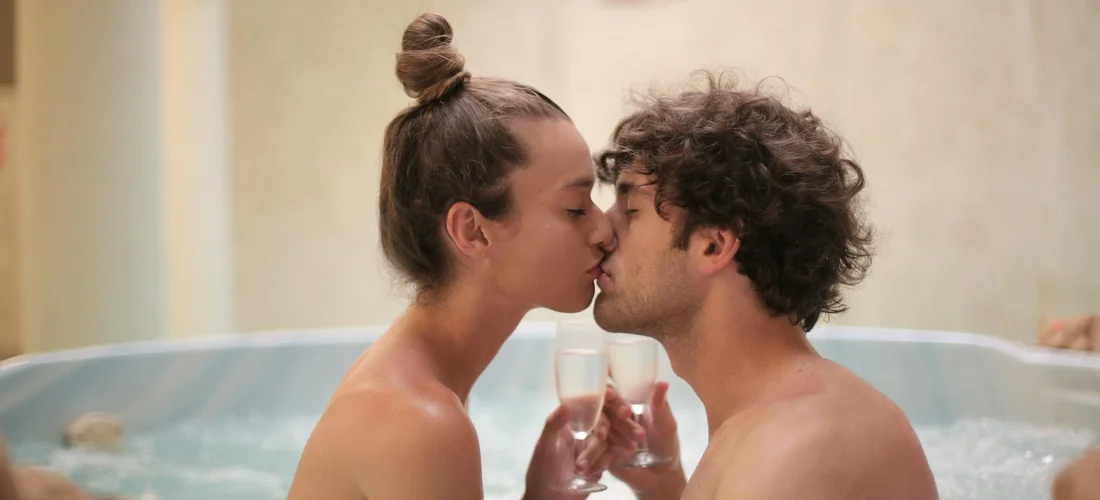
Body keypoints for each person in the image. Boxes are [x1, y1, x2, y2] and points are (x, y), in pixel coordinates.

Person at [286, 13, 642, 500]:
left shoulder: (420, 386)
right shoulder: (418, 422)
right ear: (472, 231)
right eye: (576, 207)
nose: (603, 229)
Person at [590, 71, 941, 500]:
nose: (601, 231)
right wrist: (664, 488)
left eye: (630, 209)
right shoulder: (779, 423)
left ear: (714, 245)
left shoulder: (790, 448)